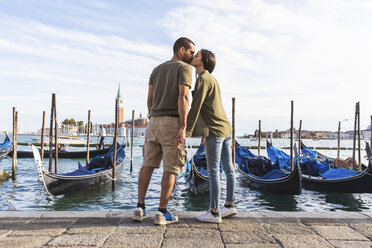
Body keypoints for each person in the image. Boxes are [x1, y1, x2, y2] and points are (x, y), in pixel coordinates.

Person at [133, 37, 195, 225]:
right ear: (181, 50)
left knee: (148, 164)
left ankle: (140, 208)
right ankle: (162, 212)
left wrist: (153, 116)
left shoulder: (156, 70)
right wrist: (183, 127)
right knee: (171, 167)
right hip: (171, 122)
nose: (193, 56)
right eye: (191, 52)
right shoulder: (184, 68)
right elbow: (183, 97)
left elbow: (149, 99)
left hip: (153, 122)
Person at [186, 49, 236, 223]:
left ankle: (214, 212)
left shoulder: (203, 80)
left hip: (215, 130)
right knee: (229, 169)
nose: (193, 57)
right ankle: (229, 205)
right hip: (226, 128)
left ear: (204, 61)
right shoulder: (212, 79)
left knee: (214, 170)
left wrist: (185, 131)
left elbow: (196, 107)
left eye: (197, 55)